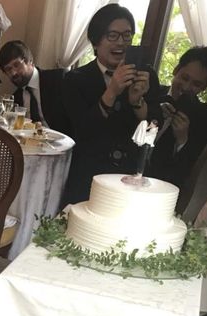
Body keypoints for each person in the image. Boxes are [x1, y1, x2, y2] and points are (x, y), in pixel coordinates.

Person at [61, 4, 162, 206]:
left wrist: (137, 102)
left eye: (127, 36)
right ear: (96, 41)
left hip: (129, 178)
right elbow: (82, 131)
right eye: (112, 36)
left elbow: (154, 130)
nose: (121, 43)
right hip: (88, 178)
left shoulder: (146, 76)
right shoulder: (75, 79)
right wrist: (112, 91)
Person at [149, 46, 207, 190]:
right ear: (176, 70)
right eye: (185, 78)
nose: (187, 87)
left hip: (163, 188)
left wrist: (182, 141)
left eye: (196, 84)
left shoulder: (204, 119)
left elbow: (189, 172)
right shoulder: (151, 94)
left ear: (204, 87)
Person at [0, 39, 71, 135]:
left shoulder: (59, 79)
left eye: (16, 65)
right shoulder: (15, 99)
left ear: (30, 61)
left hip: (65, 141)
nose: (13, 73)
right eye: (8, 69)